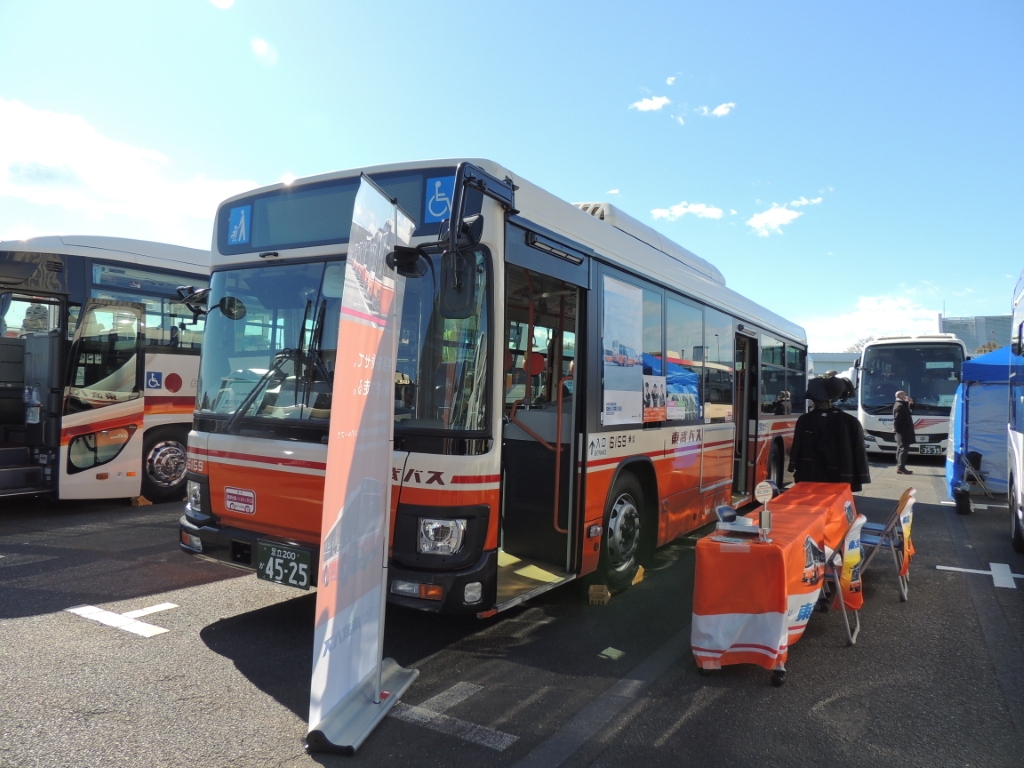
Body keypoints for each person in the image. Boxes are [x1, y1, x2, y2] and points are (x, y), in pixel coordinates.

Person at [893, 390, 916, 474]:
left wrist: (911, 403)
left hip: (903, 429)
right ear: (901, 396)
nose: (907, 396)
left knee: (901, 447)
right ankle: (901, 467)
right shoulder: (900, 406)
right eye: (905, 395)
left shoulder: (902, 405)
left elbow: (910, 412)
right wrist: (895, 427)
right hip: (903, 430)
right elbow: (897, 418)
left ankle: (900, 466)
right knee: (903, 448)